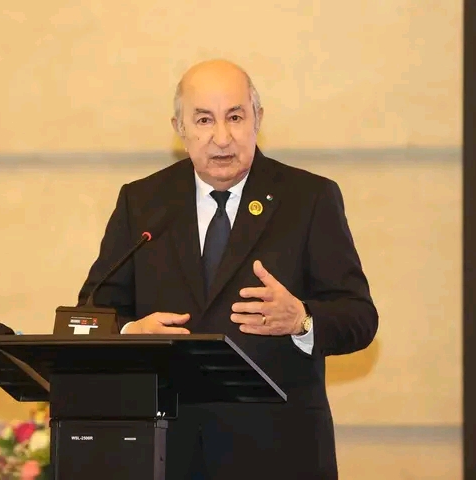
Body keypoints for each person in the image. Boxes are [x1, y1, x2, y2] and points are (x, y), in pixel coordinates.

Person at [77, 59, 378, 480]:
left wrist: (302, 319)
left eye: (235, 117)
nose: (222, 137)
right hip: (168, 453)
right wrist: (130, 333)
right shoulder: (142, 202)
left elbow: (359, 317)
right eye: (204, 120)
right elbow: (91, 313)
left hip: (279, 454)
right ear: (179, 128)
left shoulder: (309, 198)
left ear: (258, 119)